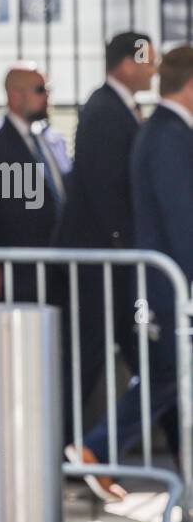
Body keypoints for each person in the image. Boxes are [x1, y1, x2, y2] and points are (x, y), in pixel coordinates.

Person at [56, 32, 163, 501]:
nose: (154, 69)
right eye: (147, 60)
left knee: (141, 361)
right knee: (88, 361)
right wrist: (125, 247)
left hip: (113, 267)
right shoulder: (104, 109)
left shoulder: (117, 108)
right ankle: (72, 456)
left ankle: (86, 454)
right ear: (126, 62)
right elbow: (103, 186)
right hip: (100, 268)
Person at [82, 47, 193, 474]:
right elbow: (180, 218)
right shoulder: (168, 135)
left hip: (166, 281)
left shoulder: (163, 130)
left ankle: (99, 451)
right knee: (167, 374)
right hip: (170, 284)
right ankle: (97, 449)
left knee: (168, 374)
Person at [0, 63, 68, 302]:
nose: (47, 95)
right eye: (40, 89)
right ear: (14, 95)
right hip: (18, 273)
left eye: (48, 89)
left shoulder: (54, 141)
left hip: (62, 270)